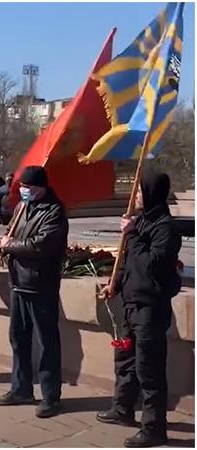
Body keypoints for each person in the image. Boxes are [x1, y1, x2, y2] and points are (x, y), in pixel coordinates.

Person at [97, 168, 182, 448]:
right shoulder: (141, 221)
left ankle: (154, 428)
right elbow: (129, 262)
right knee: (125, 362)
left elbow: (151, 265)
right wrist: (115, 284)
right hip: (129, 304)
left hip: (150, 309)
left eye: (139, 190)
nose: (134, 195)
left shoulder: (165, 228)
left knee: (149, 369)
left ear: (151, 193)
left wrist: (132, 234)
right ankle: (122, 408)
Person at [0, 165, 67, 418]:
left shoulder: (54, 212)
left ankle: (50, 396)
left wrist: (9, 245)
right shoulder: (22, 208)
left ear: (41, 188)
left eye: (28, 187)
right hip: (18, 282)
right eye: (22, 186)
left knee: (46, 342)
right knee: (18, 338)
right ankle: (21, 388)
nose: (24, 190)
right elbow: (8, 234)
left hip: (40, 284)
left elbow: (39, 245)